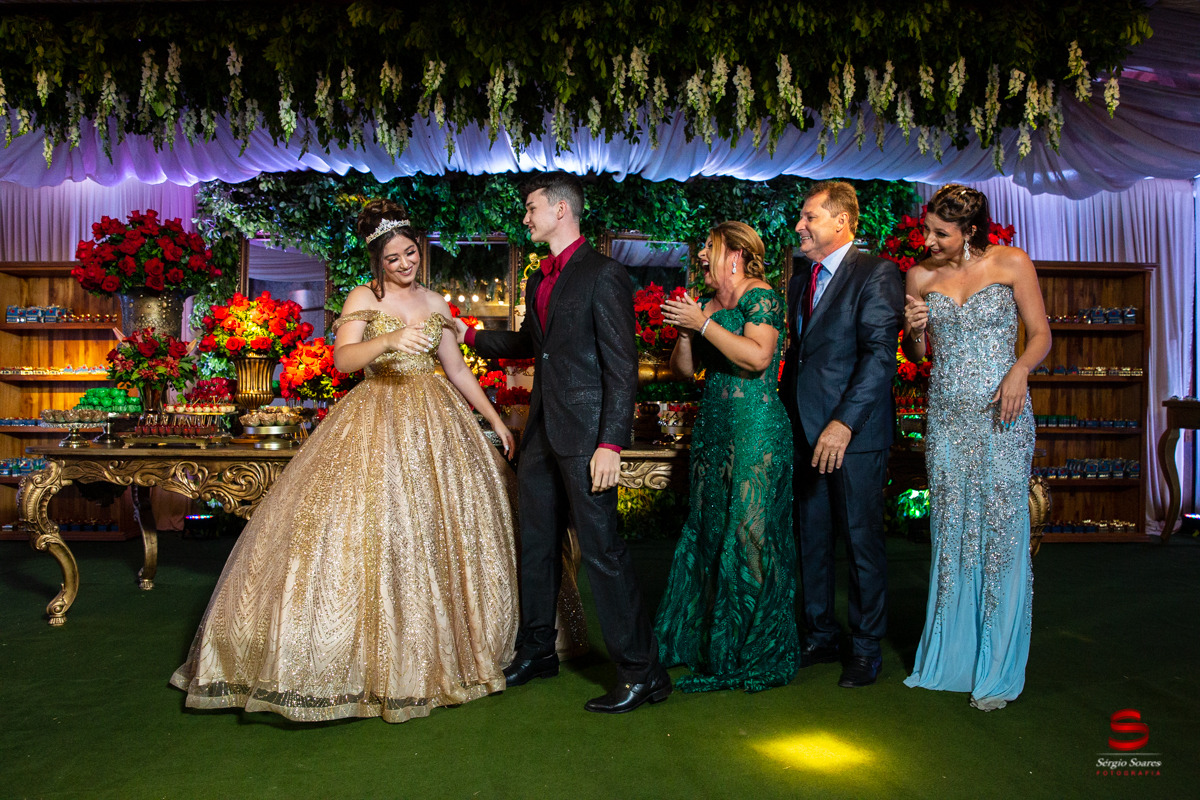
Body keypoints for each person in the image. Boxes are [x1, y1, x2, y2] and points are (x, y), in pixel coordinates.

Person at [170, 200, 519, 723]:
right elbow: (343, 360)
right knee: (367, 526)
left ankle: (441, 648)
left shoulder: (435, 300)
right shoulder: (363, 296)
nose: (404, 264)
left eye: (410, 253)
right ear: (377, 260)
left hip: (436, 420)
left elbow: (457, 369)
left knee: (432, 529)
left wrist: (493, 419)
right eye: (393, 258)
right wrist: (390, 339)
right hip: (377, 413)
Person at [454, 171, 671, 714]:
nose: (525, 217)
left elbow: (622, 368)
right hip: (542, 435)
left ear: (560, 210)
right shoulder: (538, 279)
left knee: (602, 551)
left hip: (588, 439)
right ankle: (537, 650)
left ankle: (641, 671)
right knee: (537, 545)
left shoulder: (605, 274)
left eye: (531, 208)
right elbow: (534, 344)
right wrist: (469, 334)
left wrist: (611, 445)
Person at [901, 184, 1051, 711]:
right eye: (927, 230)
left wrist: (1020, 370)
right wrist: (914, 332)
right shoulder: (919, 276)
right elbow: (919, 354)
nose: (928, 240)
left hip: (1003, 417)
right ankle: (953, 658)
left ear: (969, 231)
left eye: (940, 233)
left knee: (1001, 535)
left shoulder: (1012, 263)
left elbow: (1041, 334)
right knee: (952, 532)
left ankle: (997, 666)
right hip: (946, 420)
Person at [655, 221, 798, 692]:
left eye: (708, 246)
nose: (700, 255)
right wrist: (685, 332)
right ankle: (707, 643)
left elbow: (758, 358)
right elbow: (683, 371)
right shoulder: (707, 304)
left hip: (756, 430)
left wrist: (703, 324)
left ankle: (751, 648)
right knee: (709, 530)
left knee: (749, 533)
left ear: (734, 253)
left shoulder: (761, 296)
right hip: (712, 432)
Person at [781, 181, 904, 689]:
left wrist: (843, 423)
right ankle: (820, 635)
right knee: (811, 538)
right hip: (803, 430)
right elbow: (801, 356)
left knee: (860, 541)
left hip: (854, 435)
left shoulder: (876, 273)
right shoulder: (800, 277)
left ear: (841, 221)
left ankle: (866, 646)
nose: (799, 226)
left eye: (809, 217)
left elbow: (879, 358)